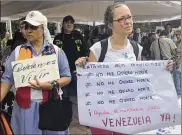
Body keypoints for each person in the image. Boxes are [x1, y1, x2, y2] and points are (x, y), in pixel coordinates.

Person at [75, 2, 174, 135]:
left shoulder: (136, 48)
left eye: (129, 17)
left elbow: (140, 80)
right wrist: (84, 64)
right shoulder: (98, 48)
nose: (128, 22)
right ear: (110, 24)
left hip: (129, 113)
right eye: (122, 19)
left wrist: (163, 70)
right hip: (103, 115)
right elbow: (90, 85)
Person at [0, 10, 71, 135]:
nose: (28, 30)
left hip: (51, 107)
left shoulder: (56, 51)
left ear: (43, 28)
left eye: (33, 27)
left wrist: (51, 84)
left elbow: (67, 77)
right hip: (25, 109)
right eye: (26, 27)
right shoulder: (17, 51)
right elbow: (7, 79)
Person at [53, 15, 88, 101]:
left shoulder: (79, 36)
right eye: (67, 22)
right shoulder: (58, 38)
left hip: (77, 70)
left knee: (80, 95)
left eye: (71, 22)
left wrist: (85, 59)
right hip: (62, 73)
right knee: (64, 96)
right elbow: (53, 54)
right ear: (62, 24)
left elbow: (86, 51)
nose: (69, 24)